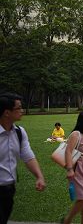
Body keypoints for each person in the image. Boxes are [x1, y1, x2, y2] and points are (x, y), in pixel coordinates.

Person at [0, 92, 46, 224]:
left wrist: (39, 176)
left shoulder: (20, 132)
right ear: (6, 112)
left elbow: (28, 156)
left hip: (9, 189)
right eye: (18, 108)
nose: (22, 111)